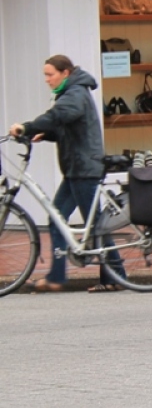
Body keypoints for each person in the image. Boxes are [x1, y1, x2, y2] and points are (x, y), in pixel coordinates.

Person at [7, 55, 126, 292]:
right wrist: (47, 134)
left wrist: (28, 126)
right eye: (45, 75)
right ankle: (57, 276)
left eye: (50, 74)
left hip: (84, 168)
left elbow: (59, 116)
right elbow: (68, 126)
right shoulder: (71, 93)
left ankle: (115, 276)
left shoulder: (76, 93)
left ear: (66, 73)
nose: (47, 79)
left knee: (95, 226)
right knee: (58, 218)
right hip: (76, 169)